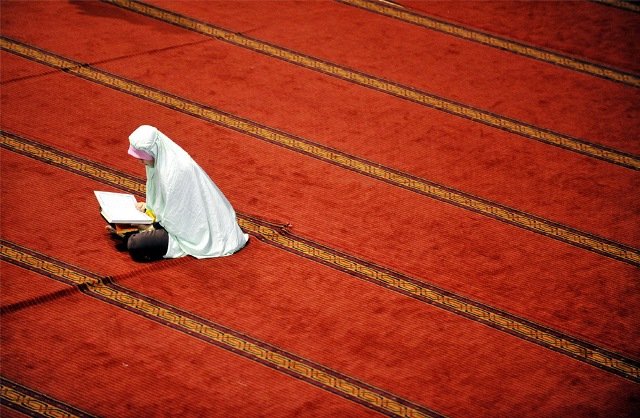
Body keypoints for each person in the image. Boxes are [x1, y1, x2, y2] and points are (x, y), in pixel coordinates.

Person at [108, 125, 248, 261]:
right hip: (169, 222)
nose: (140, 161)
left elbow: (178, 218)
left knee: (136, 244)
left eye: (142, 158)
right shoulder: (158, 161)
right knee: (111, 213)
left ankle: (128, 235)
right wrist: (148, 207)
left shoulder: (176, 172)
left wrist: (147, 227)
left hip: (189, 232)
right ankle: (129, 232)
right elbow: (165, 202)